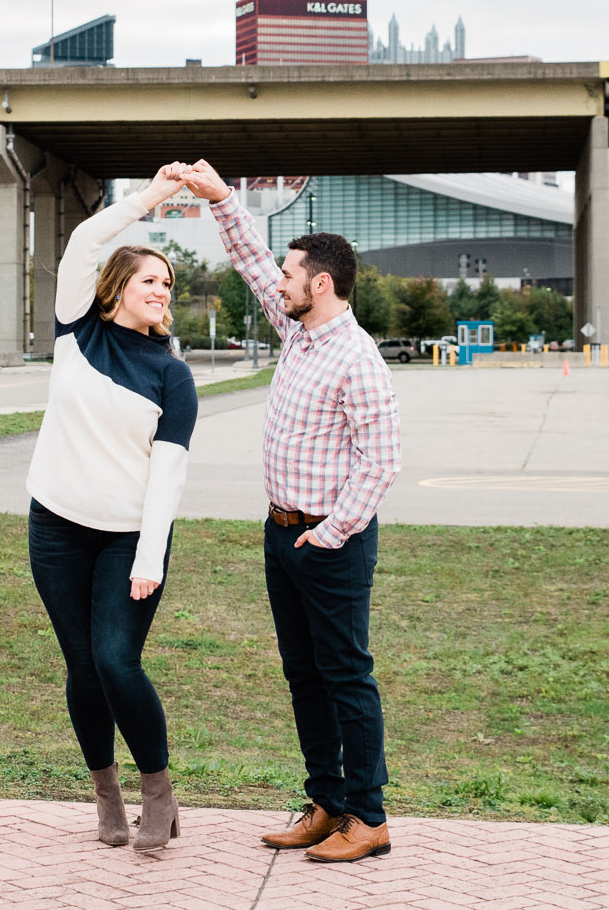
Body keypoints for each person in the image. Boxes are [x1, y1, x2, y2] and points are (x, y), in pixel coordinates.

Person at [182, 159, 401, 864]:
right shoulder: (301, 333)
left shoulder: (357, 357)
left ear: (322, 284)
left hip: (328, 542)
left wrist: (330, 533)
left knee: (346, 676)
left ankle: (368, 817)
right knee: (304, 675)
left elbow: (380, 461)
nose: (280, 281)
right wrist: (222, 199)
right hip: (280, 532)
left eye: (291, 272)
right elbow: (251, 261)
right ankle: (327, 803)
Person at [25, 163, 199, 852]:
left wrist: (151, 554)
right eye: (152, 278)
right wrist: (153, 199)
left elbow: (170, 475)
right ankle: (105, 791)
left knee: (117, 660)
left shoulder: (171, 374)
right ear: (119, 286)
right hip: (57, 526)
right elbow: (81, 243)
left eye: (169, 283)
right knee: (81, 665)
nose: (163, 289)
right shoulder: (77, 332)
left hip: (128, 536)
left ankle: (159, 789)